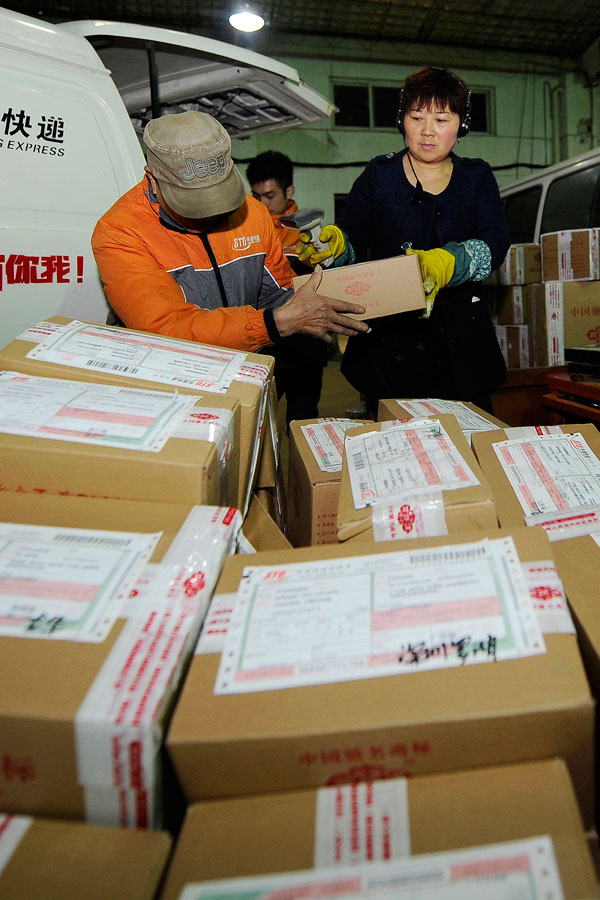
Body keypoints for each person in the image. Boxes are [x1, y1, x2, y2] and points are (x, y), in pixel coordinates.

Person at [298, 66, 510, 418]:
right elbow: (351, 236)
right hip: (389, 349)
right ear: (402, 121)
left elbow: (496, 243)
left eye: (441, 119)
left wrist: (448, 262)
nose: (427, 130)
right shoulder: (379, 175)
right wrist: (334, 245)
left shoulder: (477, 178)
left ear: (462, 126)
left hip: (462, 350)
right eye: (417, 117)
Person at [91, 111, 369, 358]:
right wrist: (271, 324)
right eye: (192, 204)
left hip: (242, 369)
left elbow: (279, 294)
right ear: (153, 179)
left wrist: (332, 272)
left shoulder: (252, 213)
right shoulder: (121, 231)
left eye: (217, 197)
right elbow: (166, 328)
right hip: (168, 375)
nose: (209, 214)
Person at [246, 150, 328, 426]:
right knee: (258, 423)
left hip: (306, 347)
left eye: (269, 196)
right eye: (256, 196)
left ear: (289, 191)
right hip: (267, 344)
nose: (262, 203)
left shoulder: (310, 232)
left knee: (302, 422)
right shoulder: (248, 233)